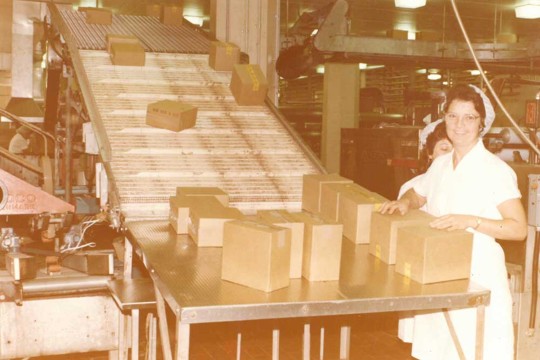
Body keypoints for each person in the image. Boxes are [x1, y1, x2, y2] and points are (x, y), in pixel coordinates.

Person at [381, 84, 527, 360]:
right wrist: (405, 202)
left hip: (478, 276)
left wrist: (470, 220)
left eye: (469, 117)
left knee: (474, 349)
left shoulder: (495, 171)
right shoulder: (441, 164)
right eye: (452, 116)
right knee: (439, 349)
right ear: (444, 118)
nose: (459, 125)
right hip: (440, 272)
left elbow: (518, 229)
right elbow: (418, 192)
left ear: (481, 123)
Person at [397, 120, 452, 343]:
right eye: (443, 149)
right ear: (429, 153)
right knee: (427, 339)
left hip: (450, 268)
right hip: (423, 271)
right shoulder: (414, 187)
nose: (449, 157)